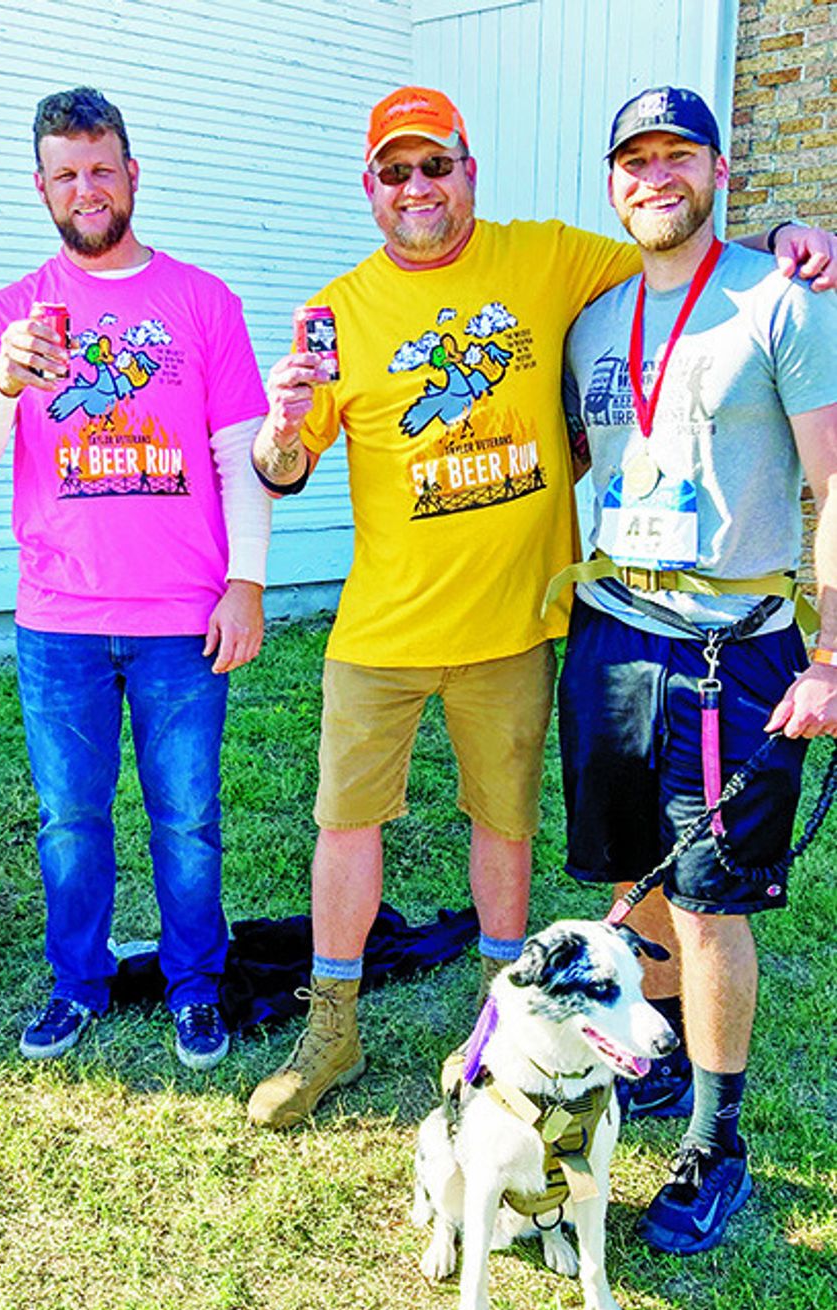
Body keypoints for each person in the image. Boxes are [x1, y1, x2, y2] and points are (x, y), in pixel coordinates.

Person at [246, 85, 837, 1130]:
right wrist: (278, 429)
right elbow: (284, 466)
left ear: (471, 171)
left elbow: (676, 245)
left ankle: (495, 1024)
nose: (418, 187)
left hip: (521, 624)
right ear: (371, 189)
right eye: (396, 172)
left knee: (504, 830)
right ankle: (330, 1024)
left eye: (437, 166)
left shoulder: (550, 259)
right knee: (345, 823)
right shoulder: (340, 306)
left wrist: (780, 234)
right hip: (382, 626)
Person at [557, 85, 837, 1254]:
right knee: (643, 873)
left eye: (679, 155)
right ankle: (664, 1069)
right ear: (614, 181)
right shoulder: (590, 322)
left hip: (738, 652)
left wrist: (832, 656)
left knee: (716, 902)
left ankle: (717, 1142)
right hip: (616, 632)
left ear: (720, 172)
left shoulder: (784, 299)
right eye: (634, 159)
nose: (654, 175)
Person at [0, 88, 270, 1071]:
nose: (87, 188)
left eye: (102, 167)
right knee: (70, 819)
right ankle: (78, 983)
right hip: (60, 618)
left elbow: (242, 450)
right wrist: (5, 378)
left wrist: (247, 583)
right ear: (42, 186)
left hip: (181, 615)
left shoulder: (202, 299)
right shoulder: (13, 313)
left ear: (132, 173)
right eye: (66, 173)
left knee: (189, 815)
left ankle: (195, 984)